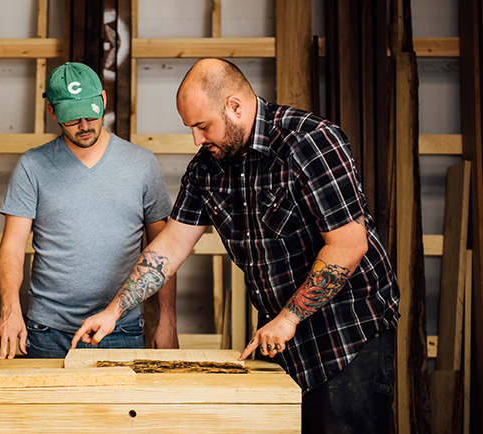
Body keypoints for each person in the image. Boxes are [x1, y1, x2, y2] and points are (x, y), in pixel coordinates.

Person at [72, 58, 400, 434]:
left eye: (203, 126)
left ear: (235, 106)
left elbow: (348, 244)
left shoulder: (310, 141)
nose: (197, 139)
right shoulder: (206, 169)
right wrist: (114, 310)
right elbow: (171, 246)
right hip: (279, 336)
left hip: (348, 331)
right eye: (190, 128)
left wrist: (289, 318)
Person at [0, 62, 178, 360]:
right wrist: (10, 311)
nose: (85, 126)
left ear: (103, 100)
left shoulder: (141, 164)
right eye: (72, 119)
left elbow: (164, 250)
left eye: (92, 114)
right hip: (46, 330)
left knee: (120, 409)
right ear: (52, 113)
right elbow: (12, 246)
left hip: (121, 327)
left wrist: (167, 319)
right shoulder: (32, 165)